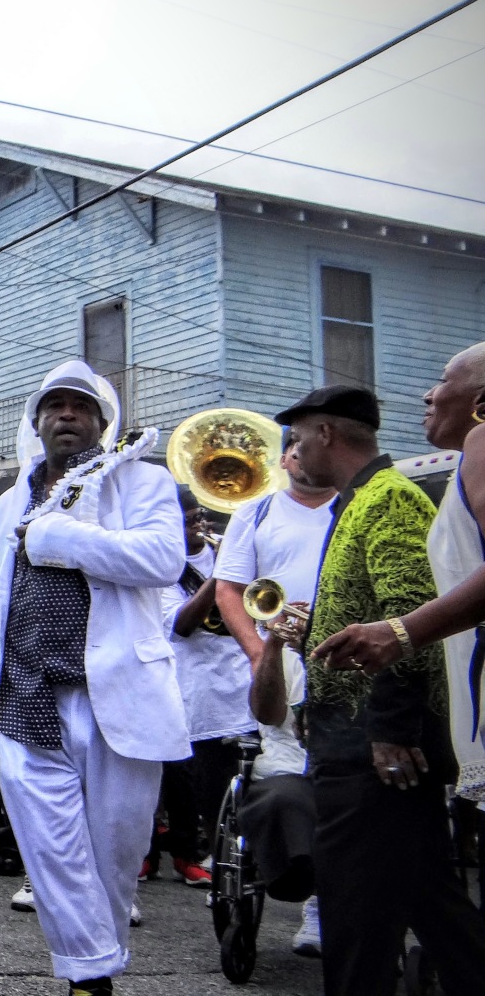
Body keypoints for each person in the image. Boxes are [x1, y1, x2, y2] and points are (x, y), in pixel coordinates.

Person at [0, 360, 188, 996]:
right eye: (54, 406)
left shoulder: (142, 483)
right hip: (24, 691)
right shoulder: (8, 502)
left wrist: (60, 537)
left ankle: (95, 967)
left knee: (112, 853)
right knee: (50, 848)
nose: (67, 416)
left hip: (117, 695)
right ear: (38, 421)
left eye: (80, 407)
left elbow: (163, 560)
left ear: (103, 423)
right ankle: (89, 978)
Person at [278, 384, 485, 994]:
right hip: (356, 743)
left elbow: (410, 614)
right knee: (430, 905)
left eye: (297, 438)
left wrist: (391, 731)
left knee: (356, 916)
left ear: (325, 434)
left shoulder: (388, 499)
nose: (293, 452)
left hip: (374, 751)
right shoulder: (359, 500)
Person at [315, 343, 485, 804]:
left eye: (445, 379)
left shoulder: (480, 442)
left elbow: (406, 602)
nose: (428, 395)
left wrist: (401, 633)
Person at [157, 488, 250, 886]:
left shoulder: (229, 553)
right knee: (194, 785)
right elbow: (181, 624)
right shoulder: (163, 567)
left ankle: (228, 856)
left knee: (234, 783)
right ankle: (192, 853)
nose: (201, 524)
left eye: (202, 516)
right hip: (192, 692)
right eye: (190, 519)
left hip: (240, 686)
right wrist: (221, 574)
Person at [213, 427, 338, 667]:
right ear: (283, 460)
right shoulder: (252, 513)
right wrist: (258, 654)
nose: (303, 452)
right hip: (281, 654)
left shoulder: (355, 506)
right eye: (296, 444)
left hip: (345, 651)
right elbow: (228, 589)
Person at [238, 596, 321, 956]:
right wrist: (274, 644)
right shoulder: (282, 655)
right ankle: (310, 891)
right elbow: (268, 715)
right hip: (288, 765)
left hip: (345, 765)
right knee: (284, 798)